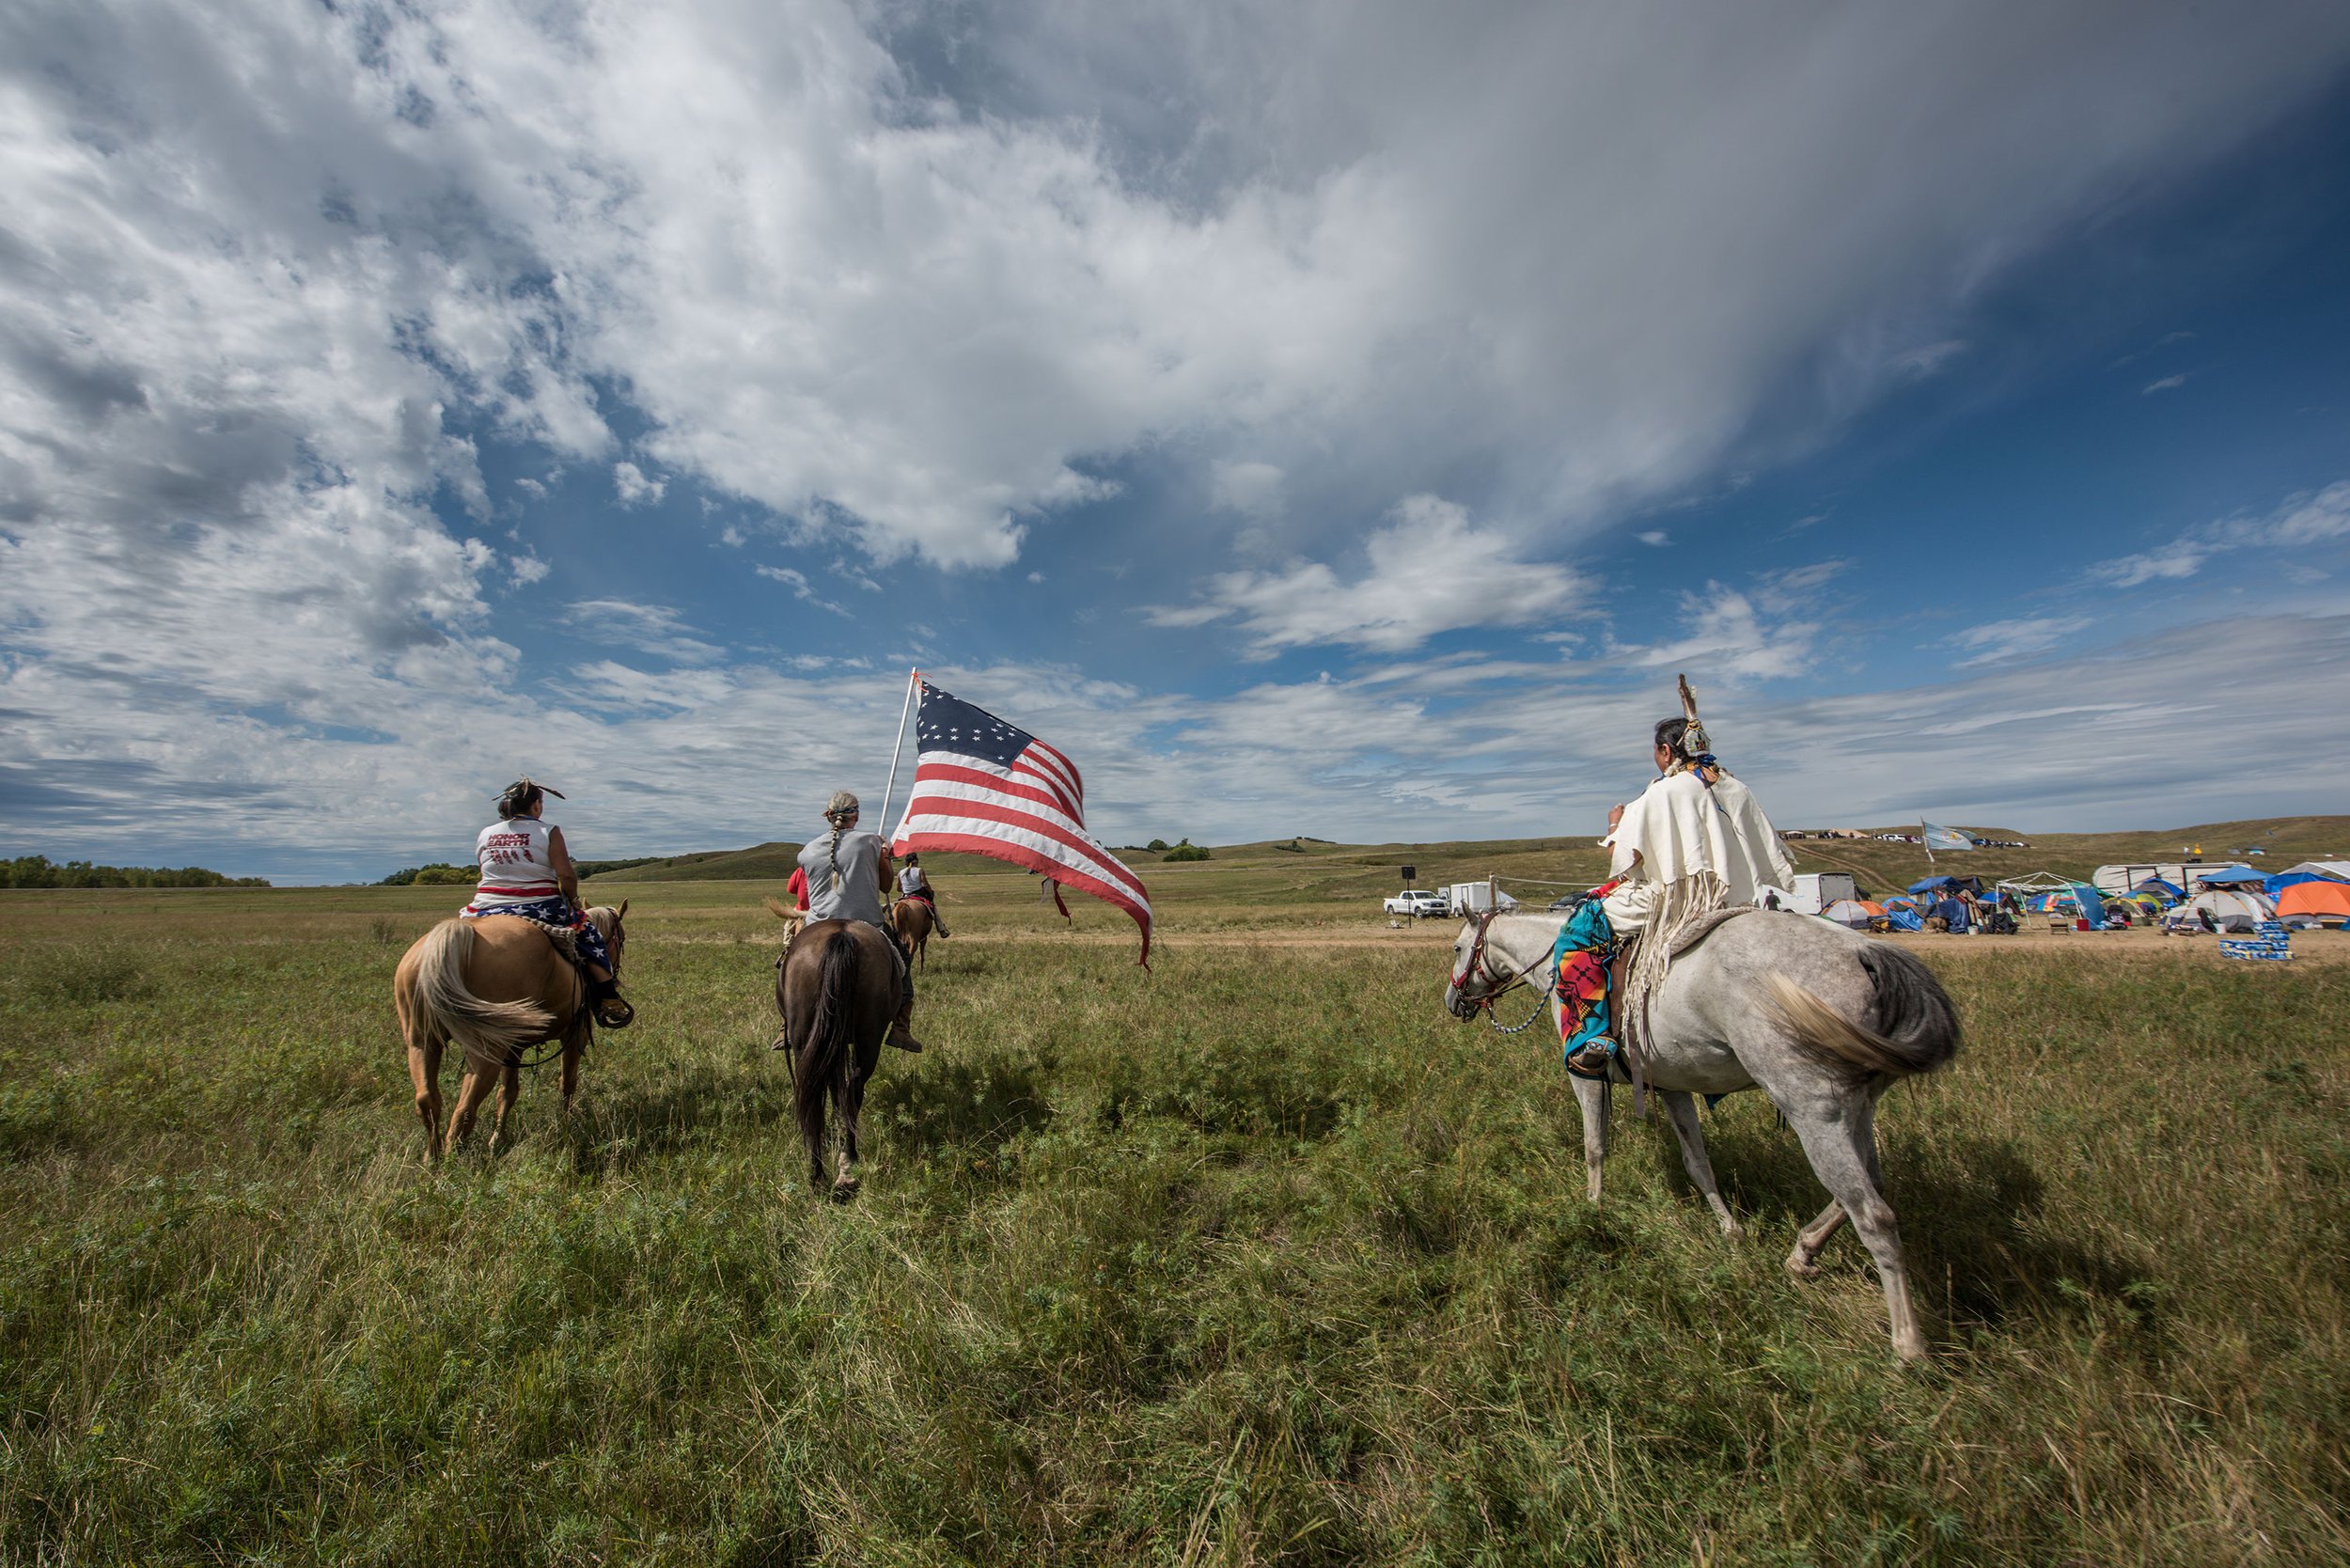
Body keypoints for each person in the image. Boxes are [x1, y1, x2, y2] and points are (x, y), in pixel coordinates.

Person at [1557, 715, 1794, 1078]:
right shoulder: (1735, 787)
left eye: (1656, 750)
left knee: (1579, 931)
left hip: (1673, 900)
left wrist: (1615, 824)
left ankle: (1593, 1036)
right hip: (1733, 900)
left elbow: (1626, 859)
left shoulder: (1664, 791)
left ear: (1666, 751)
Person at [462, 777, 633, 1027]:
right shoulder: (548, 831)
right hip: (537, 906)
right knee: (590, 936)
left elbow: (485, 869)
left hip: (483, 908)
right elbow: (565, 875)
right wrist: (574, 901)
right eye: (540, 802)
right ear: (536, 806)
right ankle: (608, 998)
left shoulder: (486, 833)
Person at [792, 790, 924, 1052]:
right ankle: (900, 1027)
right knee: (903, 967)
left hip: (816, 923)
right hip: (867, 923)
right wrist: (884, 854)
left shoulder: (806, 852)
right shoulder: (871, 842)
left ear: (828, 816)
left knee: (790, 962)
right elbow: (887, 886)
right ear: (856, 815)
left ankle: (787, 1026)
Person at [895, 852, 951, 937]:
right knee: (934, 908)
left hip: (905, 896)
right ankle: (942, 930)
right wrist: (930, 891)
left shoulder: (900, 872)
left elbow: (898, 888)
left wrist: (906, 889)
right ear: (916, 862)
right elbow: (925, 884)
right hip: (918, 896)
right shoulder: (919, 870)